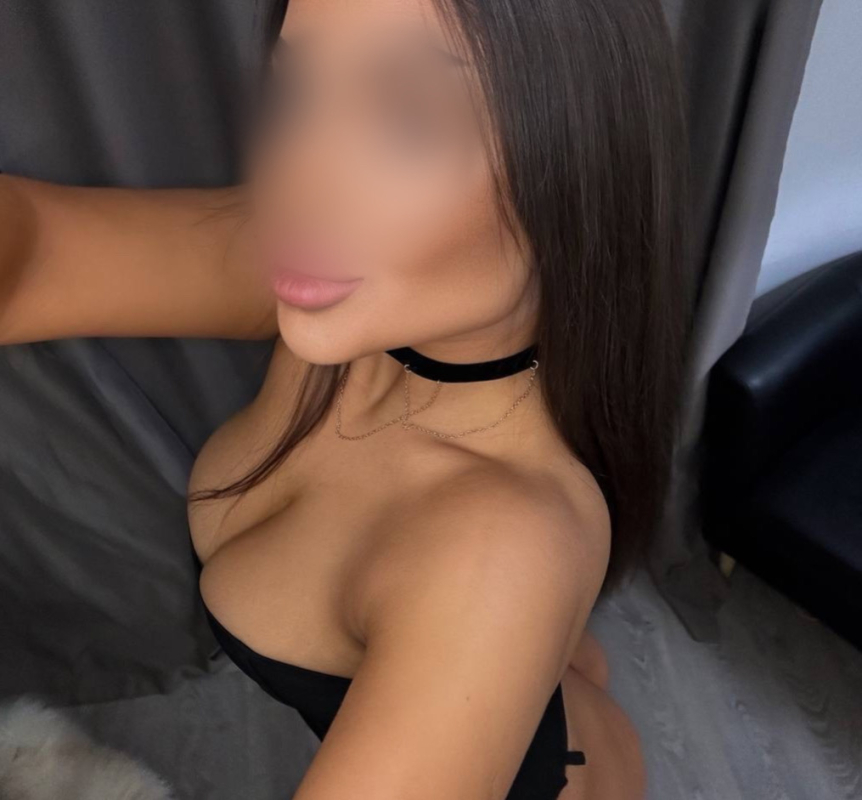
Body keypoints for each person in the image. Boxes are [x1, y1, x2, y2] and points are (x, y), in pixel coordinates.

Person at [0, 0, 694, 797]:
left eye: (411, 121)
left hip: (564, 776)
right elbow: (35, 253)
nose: (296, 183)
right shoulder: (339, 285)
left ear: (581, 170)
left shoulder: (500, 551)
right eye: (297, 93)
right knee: (560, 669)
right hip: (534, 686)